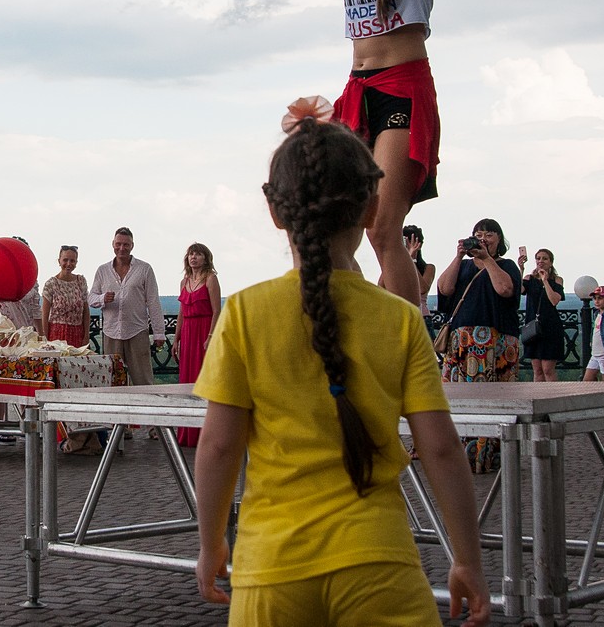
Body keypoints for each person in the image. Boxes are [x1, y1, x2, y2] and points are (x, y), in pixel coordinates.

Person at [192, 116, 489, 627]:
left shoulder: (244, 313)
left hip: (273, 567)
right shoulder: (400, 319)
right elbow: (440, 448)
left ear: (274, 212)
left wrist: (211, 541)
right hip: (380, 560)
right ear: (372, 204)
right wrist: (467, 559)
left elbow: (218, 447)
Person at [170, 0, 449, 309]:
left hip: (403, 86)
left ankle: (408, 343)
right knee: (335, 223)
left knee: (383, 227)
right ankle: (356, 319)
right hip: (358, 89)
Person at [436, 218, 522, 474]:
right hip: (461, 344)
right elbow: (444, 288)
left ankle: (487, 455)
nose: (483, 237)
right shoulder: (462, 266)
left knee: (492, 400)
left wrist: (487, 259)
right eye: (478, 233)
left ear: (499, 239)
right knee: (457, 399)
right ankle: (460, 455)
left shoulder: (505, 266)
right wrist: (459, 256)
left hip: (495, 344)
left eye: (489, 233)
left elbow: (505, 290)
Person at [89, 227, 166, 440]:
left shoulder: (144, 269)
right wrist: (103, 298)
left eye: (126, 244)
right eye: (118, 244)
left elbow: (153, 301)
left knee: (144, 381)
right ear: (113, 244)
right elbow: (91, 298)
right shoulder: (103, 270)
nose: (121, 248)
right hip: (111, 332)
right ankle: (120, 428)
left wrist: (159, 332)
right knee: (114, 382)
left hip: (137, 330)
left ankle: (154, 426)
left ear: (132, 246)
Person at [0, 241, 43, 445]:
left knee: (26, 380)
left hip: (25, 335)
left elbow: (35, 309)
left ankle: (27, 423)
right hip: (1, 336)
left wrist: (41, 336)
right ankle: (0, 425)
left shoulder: (31, 280)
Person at [173, 243, 220, 448]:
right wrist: (176, 339)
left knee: (203, 379)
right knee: (187, 380)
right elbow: (182, 312)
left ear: (205, 258)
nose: (194, 257)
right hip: (188, 332)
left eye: (198, 254)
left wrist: (211, 335)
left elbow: (217, 310)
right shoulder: (184, 281)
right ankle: (188, 432)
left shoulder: (211, 279)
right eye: (191, 254)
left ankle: (206, 432)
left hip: (204, 330)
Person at [522, 249, 565, 382]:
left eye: (545, 258)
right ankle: (538, 396)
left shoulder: (557, 280)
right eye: (538, 258)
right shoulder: (529, 278)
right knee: (537, 370)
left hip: (550, 327)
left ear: (551, 262)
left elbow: (554, 300)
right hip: (533, 328)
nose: (541, 261)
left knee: (547, 369)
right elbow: (519, 290)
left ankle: (553, 398)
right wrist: (521, 269)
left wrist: (545, 281)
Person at [41, 244, 91, 348]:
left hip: (78, 334)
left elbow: (86, 311)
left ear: (76, 263)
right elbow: (44, 316)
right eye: (65, 260)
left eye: (72, 261)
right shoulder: (51, 284)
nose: (68, 264)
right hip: (56, 336)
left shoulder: (81, 281)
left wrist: (86, 335)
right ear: (59, 261)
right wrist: (45, 339)